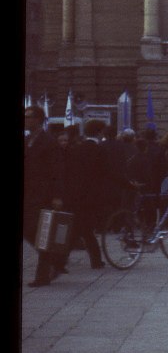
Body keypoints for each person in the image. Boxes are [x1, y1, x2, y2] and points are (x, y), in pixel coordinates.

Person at [24, 106, 67, 287]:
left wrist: (57, 195)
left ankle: (43, 275)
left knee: (40, 231)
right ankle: (54, 260)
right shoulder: (27, 140)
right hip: (29, 193)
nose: (26, 120)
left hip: (43, 194)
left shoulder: (49, 141)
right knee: (30, 231)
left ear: (39, 119)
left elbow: (57, 170)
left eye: (29, 117)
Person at [62, 119, 109, 271]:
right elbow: (107, 174)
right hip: (91, 197)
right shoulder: (99, 150)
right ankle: (59, 262)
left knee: (81, 229)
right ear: (100, 132)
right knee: (81, 229)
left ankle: (94, 261)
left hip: (76, 195)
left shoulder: (78, 149)